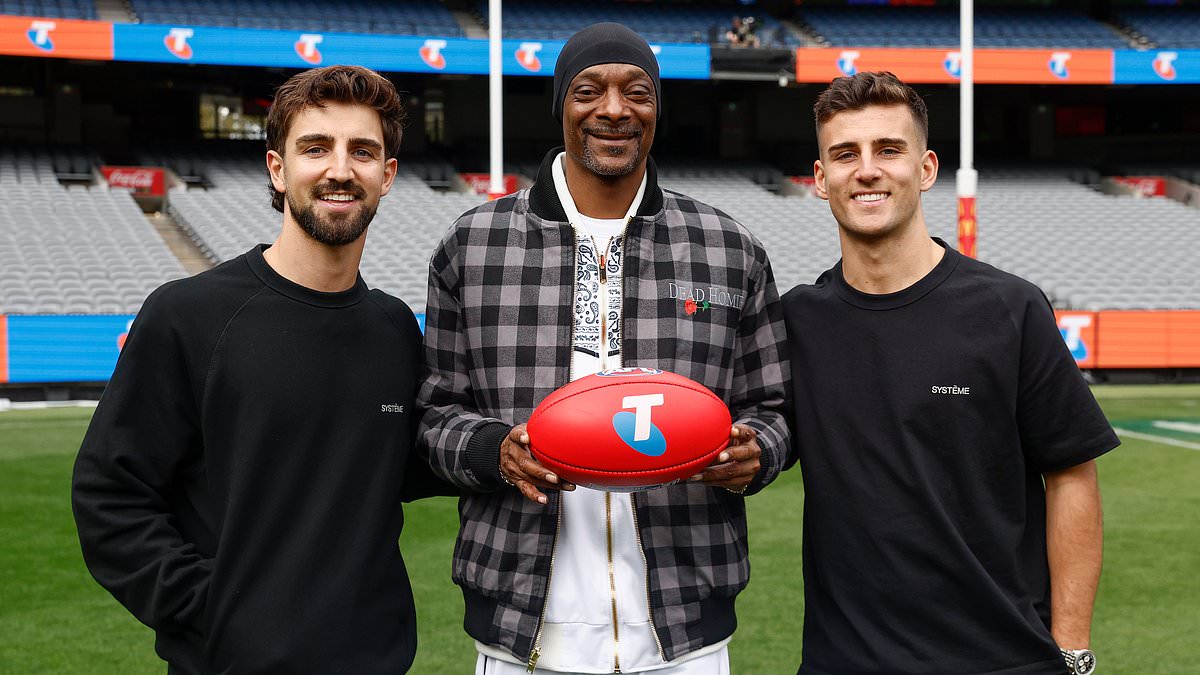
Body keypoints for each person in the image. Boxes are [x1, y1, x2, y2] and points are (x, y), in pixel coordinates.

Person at [418, 22, 791, 675]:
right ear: (561, 104)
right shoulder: (473, 245)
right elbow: (434, 415)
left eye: (637, 92)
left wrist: (756, 451)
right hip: (523, 630)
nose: (615, 109)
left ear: (658, 108)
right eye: (589, 90)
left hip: (685, 635)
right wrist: (494, 450)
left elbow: (775, 407)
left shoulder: (728, 246)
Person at [72, 65, 446, 674]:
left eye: (362, 151)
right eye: (315, 148)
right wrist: (214, 609)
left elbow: (394, 465)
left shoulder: (394, 327)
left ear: (387, 175)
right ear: (277, 168)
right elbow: (109, 494)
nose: (340, 169)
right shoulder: (188, 315)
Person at [782, 71, 1119, 675]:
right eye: (846, 154)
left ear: (927, 168)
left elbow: (1072, 474)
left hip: (1003, 661)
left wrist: (1070, 649)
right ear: (821, 178)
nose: (867, 170)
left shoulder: (1009, 308)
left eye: (889, 150)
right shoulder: (797, 321)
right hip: (843, 662)